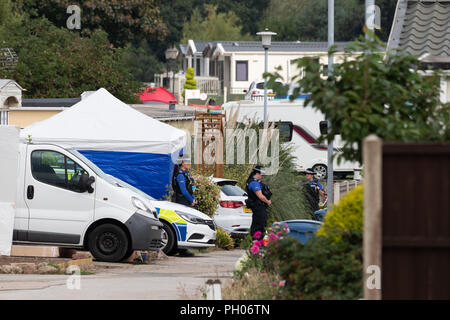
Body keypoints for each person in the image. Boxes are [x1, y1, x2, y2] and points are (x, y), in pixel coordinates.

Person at [171, 154, 197, 257]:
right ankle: (182, 250)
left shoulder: (187, 174)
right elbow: (184, 191)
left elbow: (191, 188)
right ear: (182, 163)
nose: (189, 163)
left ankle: (183, 248)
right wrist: (191, 200)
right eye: (187, 161)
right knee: (183, 225)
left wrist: (194, 198)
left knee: (187, 224)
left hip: (187, 202)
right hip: (181, 202)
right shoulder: (180, 175)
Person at [245, 166, 271, 240]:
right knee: (260, 225)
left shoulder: (253, 181)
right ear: (257, 173)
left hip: (257, 207)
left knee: (257, 224)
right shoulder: (254, 183)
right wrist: (267, 201)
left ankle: (256, 241)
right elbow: (260, 196)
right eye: (261, 174)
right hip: (258, 207)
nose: (262, 176)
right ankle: (257, 242)